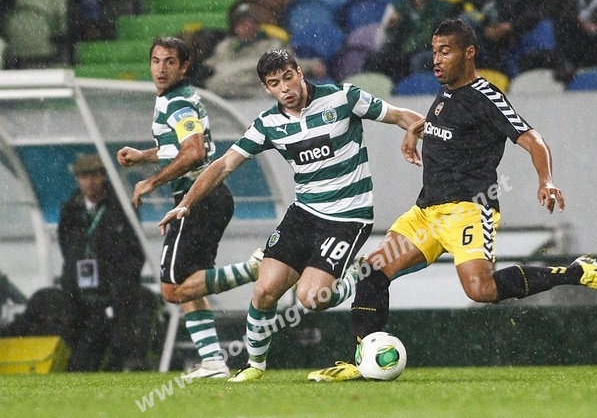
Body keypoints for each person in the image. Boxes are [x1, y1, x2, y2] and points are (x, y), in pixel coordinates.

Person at [308, 18, 597, 382]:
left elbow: (532, 139)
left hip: (468, 211)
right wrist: (415, 130)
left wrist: (547, 180)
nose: (436, 60)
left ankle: (576, 271)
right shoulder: (446, 93)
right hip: (426, 213)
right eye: (434, 52)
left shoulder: (486, 96)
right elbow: (447, 127)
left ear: (469, 53)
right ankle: (361, 361)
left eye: (445, 52)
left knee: (481, 289)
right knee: (372, 272)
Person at [157, 48, 424, 382]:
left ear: (299, 72)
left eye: (288, 77)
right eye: (275, 83)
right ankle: (255, 366)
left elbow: (399, 115)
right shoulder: (268, 124)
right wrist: (186, 203)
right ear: (267, 88)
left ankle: (358, 274)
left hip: (348, 216)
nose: (285, 88)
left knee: (311, 298)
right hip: (303, 215)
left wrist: (428, 135)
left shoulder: (343, 98)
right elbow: (224, 165)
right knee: (264, 290)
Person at [116, 37, 263, 380]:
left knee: (172, 289)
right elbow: (181, 147)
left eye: (170, 62)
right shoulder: (175, 98)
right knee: (190, 285)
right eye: (156, 61)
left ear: (184, 67)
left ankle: (255, 268)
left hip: (197, 199)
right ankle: (212, 362)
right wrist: (143, 155)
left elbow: (195, 153)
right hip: (208, 197)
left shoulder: (178, 102)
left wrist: (151, 181)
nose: (161, 68)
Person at [58, 153, 149, 371]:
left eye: (94, 176)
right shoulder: (70, 209)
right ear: (77, 179)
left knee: (117, 342)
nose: (89, 182)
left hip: (114, 288)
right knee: (79, 343)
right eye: (84, 177)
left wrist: (124, 280)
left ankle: (114, 367)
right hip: (80, 289)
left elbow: (135, 248)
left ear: (103, 176)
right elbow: (65, 244)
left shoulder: (122, 207)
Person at [364, 0, 456, 83]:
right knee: (373, 60)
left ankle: (415, 90)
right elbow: (380, 42)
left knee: (417, 61)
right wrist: (390, 28)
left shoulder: (442, 7)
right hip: (402, 51)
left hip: (427, 51)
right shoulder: (398, 7)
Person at [459, 0, 516, 73]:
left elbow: (506, 29)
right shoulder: (461, 3)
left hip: (490, 52)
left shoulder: (502, 3)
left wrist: (502, 29)